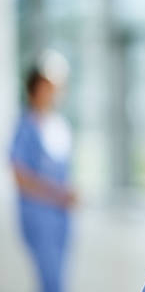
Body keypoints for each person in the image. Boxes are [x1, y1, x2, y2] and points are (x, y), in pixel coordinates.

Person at [9, 51, 76, 292]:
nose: (52, 93)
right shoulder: (26, 127)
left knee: (58, 277)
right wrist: (56, 193)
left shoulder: (59, 126)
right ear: (33, 89)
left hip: (61, 217)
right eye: (46, 87)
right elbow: (20, 176)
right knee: (50, 281)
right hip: (39, 216)